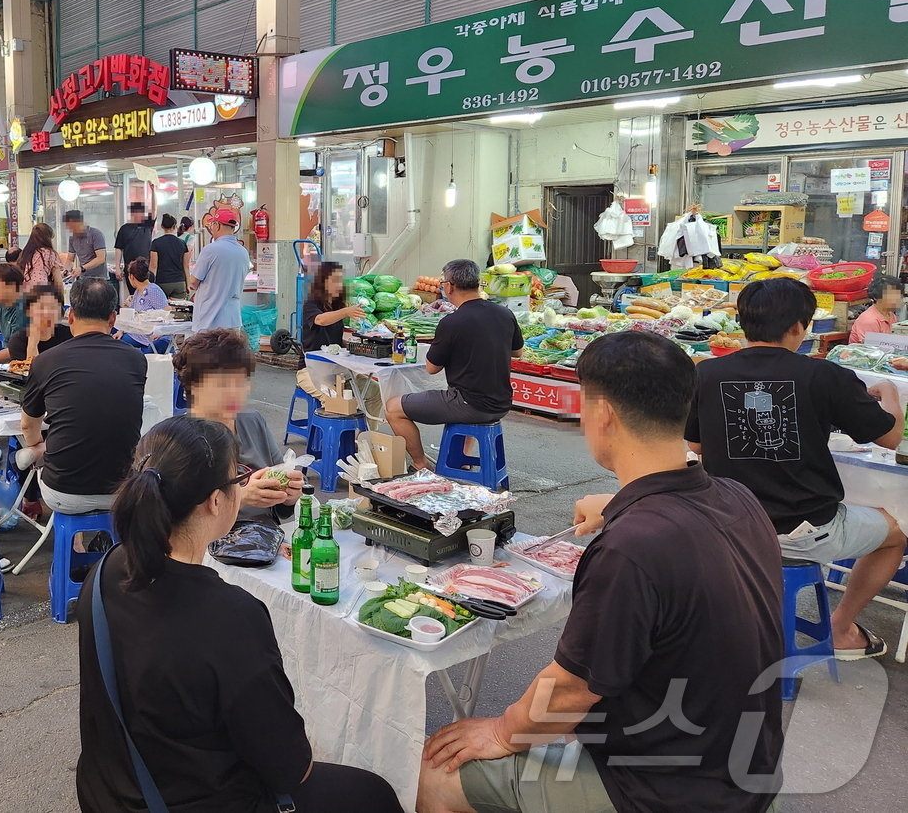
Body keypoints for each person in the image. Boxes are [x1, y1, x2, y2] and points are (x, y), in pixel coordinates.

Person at [416, 331, 784, 813]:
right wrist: (616, 506)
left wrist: (503, 731)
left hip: (668, 790)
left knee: (434, 774)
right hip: (744, 765)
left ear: (603, 413)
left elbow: (570, 690)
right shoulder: (739, 498)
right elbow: (678, 512)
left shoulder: (631, 551)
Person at [77, 415, 404, 813]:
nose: (243, 486)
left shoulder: (105, 571)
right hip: (193, 800)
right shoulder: (231, 617)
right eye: (239, 479)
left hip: (108, 788)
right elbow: (290, 768)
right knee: (375, 795)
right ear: (216, 500)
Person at [685, 277, 906, 660]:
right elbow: (888, 438)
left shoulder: (707, 373)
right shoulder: (825, 376)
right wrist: (888, 392)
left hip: (727, 524)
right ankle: (840, 628)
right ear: (798, 328)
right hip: (801, 531)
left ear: (743, 323)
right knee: (897, 532)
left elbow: (697, 445)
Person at [20, 278, 146, 514]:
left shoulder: (46, 361)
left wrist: (37, 446)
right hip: (123, 489)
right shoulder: (136, 360)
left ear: (70, 317)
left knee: (41, 450)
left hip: (63, 492)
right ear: (112, 319)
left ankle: (73, 542)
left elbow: (28, 426)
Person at [385, 259, 522, 470]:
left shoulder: (452, 322)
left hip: (470, 404)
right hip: (502, 403)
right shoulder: (504, 313)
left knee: (393, 408)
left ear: (449, 286)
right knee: (457, 394)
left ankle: (421, 464)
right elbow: (517, 352)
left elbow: (432, 368)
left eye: (442, 283)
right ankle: (461, 461)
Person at [176, 328, 305, 523]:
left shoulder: (253, 422)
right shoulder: (180, 441)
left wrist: (289, 496)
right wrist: (241, 497)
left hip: (265, 540)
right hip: (210, 549)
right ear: (194, 385)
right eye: (223, 383)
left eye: (241, 381)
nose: (234, 392)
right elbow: (179, 520)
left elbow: (280, 502)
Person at [297, 261, 367, 400]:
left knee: (373, 391)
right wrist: (346, 312)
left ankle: (367, 423)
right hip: (310, 371)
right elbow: (320, 320)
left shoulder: (336, 306)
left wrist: (356, 346)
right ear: (322, 282)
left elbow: (335, 342)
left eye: (340, 281)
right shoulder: (311, 304)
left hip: (336, 370)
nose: (339, 285)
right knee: (334, 399)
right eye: (334, 281)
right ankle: (327, 422)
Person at [189, 207, 253, 332]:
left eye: (212, 224)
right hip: (233, 320)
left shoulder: (210, 250)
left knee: (208, 352)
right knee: (232, 352)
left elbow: (193, 282)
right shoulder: (243, 252)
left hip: (210, 320)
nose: (211, 228)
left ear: (217, 225)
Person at [7, 285, 73, 362]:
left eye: (52, 307)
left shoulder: (70, 335)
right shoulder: (18, 341)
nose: (47, 313)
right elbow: (29, 372)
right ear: (29, 311)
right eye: (41, 307)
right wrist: (32, 344)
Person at [116, 258, 169, 350]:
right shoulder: (138, 291)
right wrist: (121, 330)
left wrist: (159, 332)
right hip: (137, 333)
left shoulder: (154, 290)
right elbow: (132, 315)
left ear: (131, 277)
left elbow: (166, 312)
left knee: (119, 346)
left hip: (148, 335)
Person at [0, 262, 28, 360]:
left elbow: (16, 350)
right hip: (7, 352)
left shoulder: (22, 311)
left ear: (12, 287)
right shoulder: (3, 302)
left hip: (20, 360)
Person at [114, 200, 154, 292]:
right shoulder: (124, 229)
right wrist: (117, 267)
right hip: (130, 268)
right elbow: (118, 248)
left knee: (147, 292)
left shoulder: (147, 226)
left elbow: (154, 209)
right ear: (132, 213)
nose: (139, 215)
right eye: (136, 212)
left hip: (145, 268)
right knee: (133, 294)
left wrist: (153, 191)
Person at [15, 221, 65, 295]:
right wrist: (61, 301)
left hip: (25, 294)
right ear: (47, 238)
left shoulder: (25, 253)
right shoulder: (50, 253)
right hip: (42, 293)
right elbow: (58, 282)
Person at [850, 275, 903, 343]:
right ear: (877, 297)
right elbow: (871, 349)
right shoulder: (869, 320)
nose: (898, 298)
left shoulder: (891, 315)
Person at [149, 211, 190, 298]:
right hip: (179, 282)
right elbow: (186, 266)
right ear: (174, 226)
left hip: (162, 283)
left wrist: (150, 285)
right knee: (178, 310)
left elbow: (153, 266)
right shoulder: (182, 243)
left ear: (162, 226)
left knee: (161, 310)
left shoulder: (156, 243)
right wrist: (188, 284)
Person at [64, 209, 108, 280]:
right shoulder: (72, 238)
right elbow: (70, 259)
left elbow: (101, 258)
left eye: (72, 225)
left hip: (99, 279)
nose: (70, 228)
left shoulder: (96, 234)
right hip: (83, 278)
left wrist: (82, 268)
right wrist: (65, 271)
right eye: (68, 226)